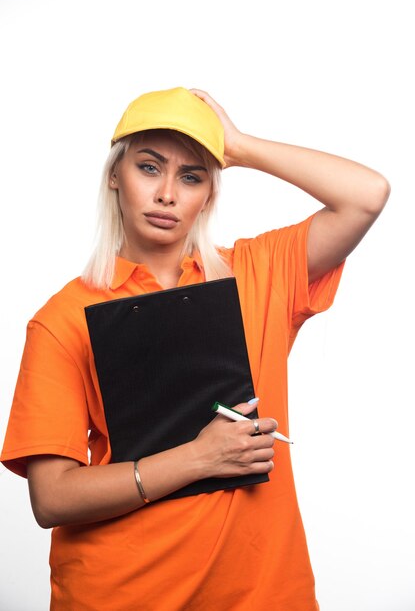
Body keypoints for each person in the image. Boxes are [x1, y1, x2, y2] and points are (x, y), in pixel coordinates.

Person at [0, 87, 390, 610]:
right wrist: (199, 458)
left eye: (192, 176)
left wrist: (239, 145)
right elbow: (51, 498)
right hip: (125, 592)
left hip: (262, 593)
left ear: (210, 193)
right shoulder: (64, 318)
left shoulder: (256, 274)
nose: (167, 194)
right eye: (148, 167)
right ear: (114, 176)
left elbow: (366, 194)